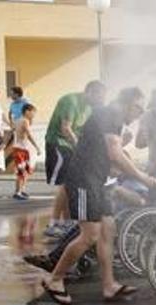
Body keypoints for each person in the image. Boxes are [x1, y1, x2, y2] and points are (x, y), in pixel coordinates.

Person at [41, 87, 156, 305]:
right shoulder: (110, 114)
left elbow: (111, 154)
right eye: (138, 108)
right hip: (85, 180)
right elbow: (114, 152)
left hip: (98, 180)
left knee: (108, 230)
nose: (139, 114)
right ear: (128, 102)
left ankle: (109, 286)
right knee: (90, 235)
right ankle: (55, 280)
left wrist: (125, 169)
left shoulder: (112, 116)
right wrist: (142, 177)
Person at [44, 81, 107, 238]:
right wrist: (81, 149)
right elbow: (66, 129)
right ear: (90, 92)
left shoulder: (90, 107)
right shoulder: (71, 101)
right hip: (59, 144)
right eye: (99, 97)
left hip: (72, 146)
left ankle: (67, 222)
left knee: (70, 184)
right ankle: (54, 223)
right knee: (65, 184)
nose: (100, 102)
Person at [10, 103, 42, 200]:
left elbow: (14, 131)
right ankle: (18, 192)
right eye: (33, 113)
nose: (33, 115)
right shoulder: (24, 121)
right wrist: (37, 147)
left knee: (25, 172)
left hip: (20, 148)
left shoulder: (18, 120)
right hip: (21, 149)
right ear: (27, 111)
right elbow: (28, 134)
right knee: (22, 172)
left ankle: (20, 190)